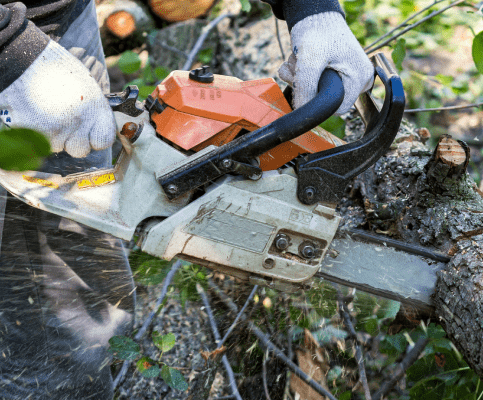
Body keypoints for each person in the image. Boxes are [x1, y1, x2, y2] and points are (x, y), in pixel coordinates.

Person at [0, 0, 372, 397]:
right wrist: (11, 51)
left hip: (56, 24)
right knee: (51, 330)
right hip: (20, 50)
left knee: (76, 312)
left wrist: (312, 10)